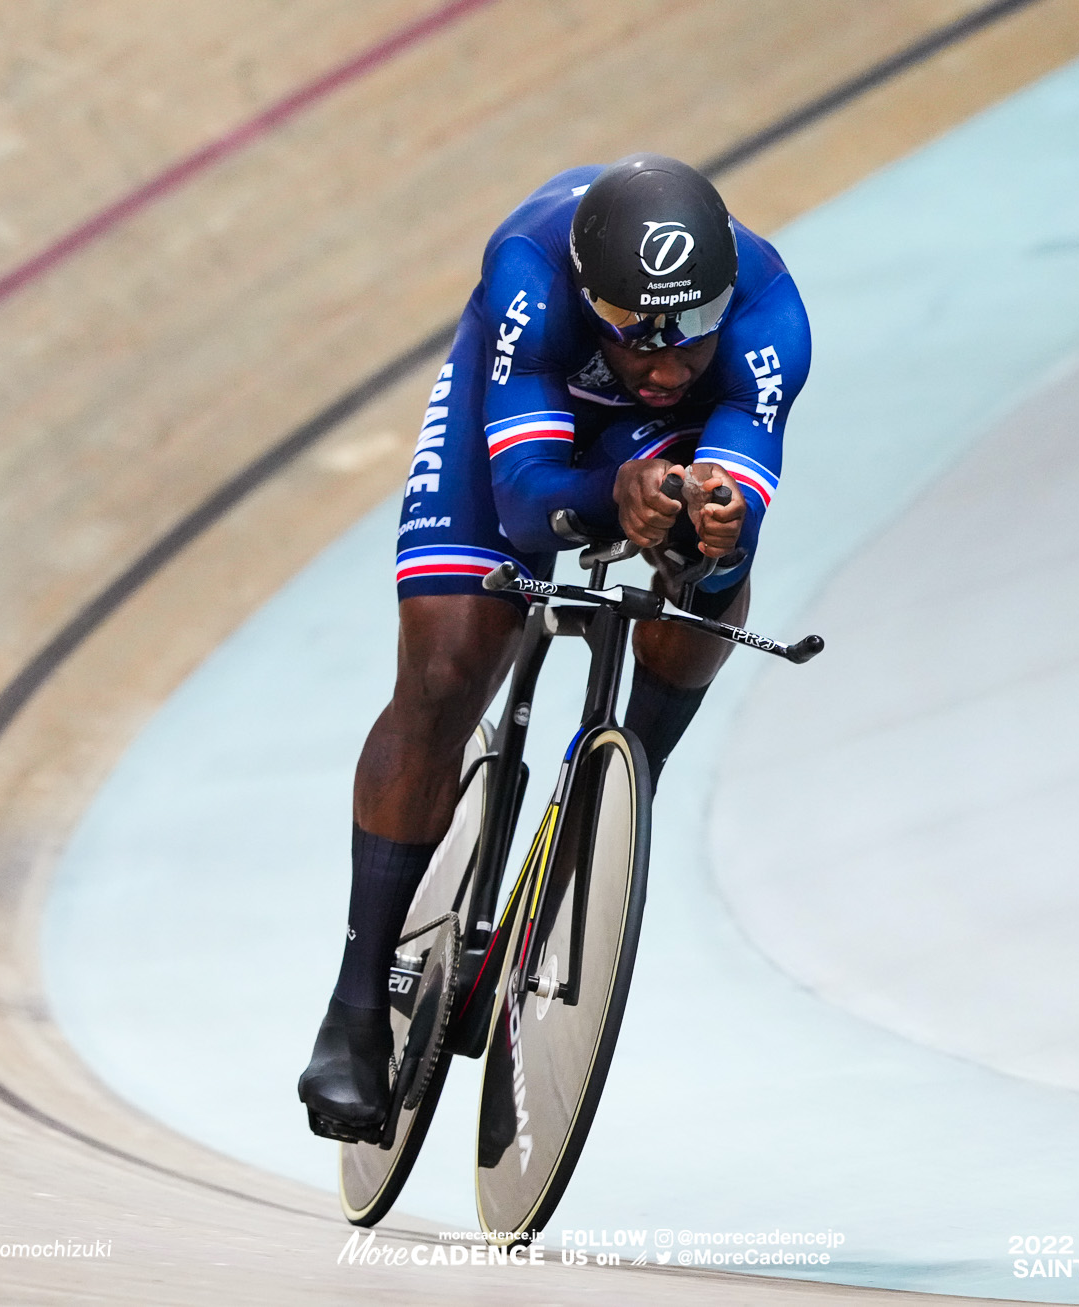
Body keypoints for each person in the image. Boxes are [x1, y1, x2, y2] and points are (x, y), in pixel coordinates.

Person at [298, 153, 810, 1139]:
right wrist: (607, 497)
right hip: (531, 438)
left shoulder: (768, 314)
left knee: (713, 577)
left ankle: (621, 795)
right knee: (446, 668)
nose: (665, 365)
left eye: (689, 337)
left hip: (662, 447)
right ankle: (356, 1001)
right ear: (591, 300)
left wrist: (712, 531)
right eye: (637, 339)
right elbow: (528, 505)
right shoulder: (528, 275)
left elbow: (739, 507)